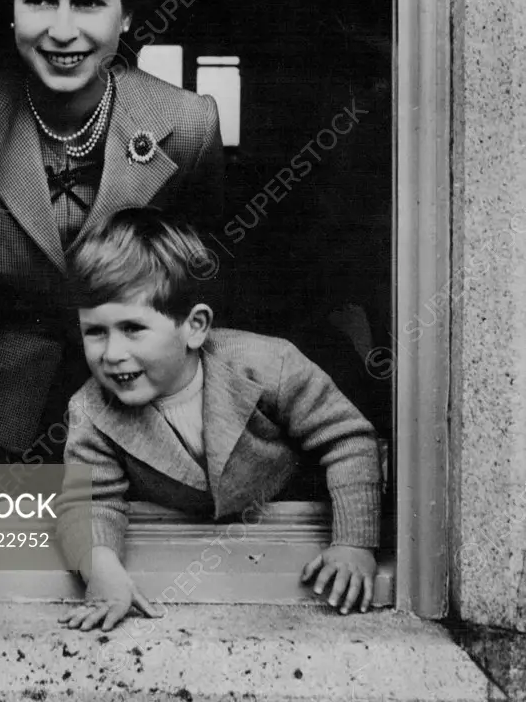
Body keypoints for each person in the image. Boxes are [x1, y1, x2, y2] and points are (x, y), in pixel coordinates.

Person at [0, 0, 224, 461]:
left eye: (89, 3)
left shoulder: (188, 125)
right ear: (12, 9)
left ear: (128, 14)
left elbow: (204, 289)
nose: (63, 31)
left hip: (139, 405)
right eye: (40, 1)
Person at [56, 208, 382, 630]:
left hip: (288, 533)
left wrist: (354, 543)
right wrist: (102, 569)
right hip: (193, 552)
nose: (112, 353)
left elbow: (348, 439)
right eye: (95, 332)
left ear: (194, 327)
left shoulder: (269, 365)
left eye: (133, 328)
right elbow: (90, 501)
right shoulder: (91, 410)